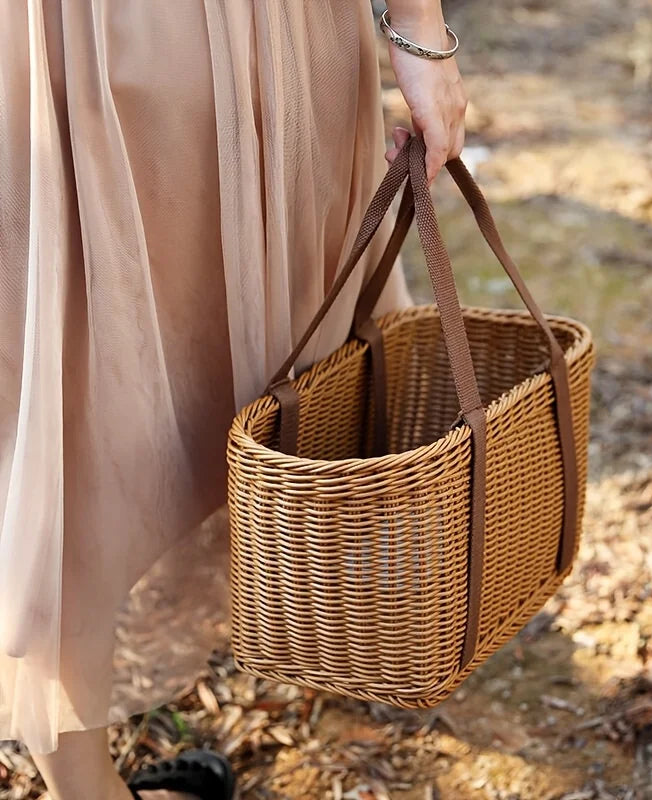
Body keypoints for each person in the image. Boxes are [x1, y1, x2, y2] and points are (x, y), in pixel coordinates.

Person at [0, 1, 467, 798]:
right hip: (257, 40)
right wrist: (420, 30)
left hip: (60, 39)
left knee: (65, 408)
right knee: (247, 378)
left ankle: (84, 784)